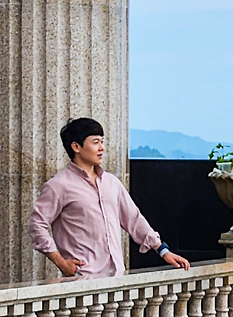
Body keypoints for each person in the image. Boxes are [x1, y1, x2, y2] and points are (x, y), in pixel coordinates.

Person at [28, 117, 190, 278]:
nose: (102, 148)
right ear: (76, 147)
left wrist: (163, 251)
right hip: (83, 278)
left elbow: (134, 219)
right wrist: (60, 262)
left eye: (102, 141)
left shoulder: (111, 182)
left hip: (116, 277)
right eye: (95, 142)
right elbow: (36, 224)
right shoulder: (59, 185)